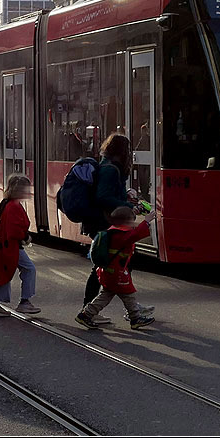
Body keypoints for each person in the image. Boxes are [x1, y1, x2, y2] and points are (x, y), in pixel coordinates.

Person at [76, 205, 160, 328]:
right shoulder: (120, 236)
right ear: (125, 222)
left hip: (109, 272)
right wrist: (146, 221)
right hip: (117, 274)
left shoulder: (112, 231)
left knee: (105, 296)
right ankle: (135, 318)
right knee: (128, 294)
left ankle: (86, 314)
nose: (133, 224)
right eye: (132, 221)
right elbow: (135, 235)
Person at [80, 133, 134, 321]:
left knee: (112, 266)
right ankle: (89, 309)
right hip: (103, 223)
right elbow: (103, 197)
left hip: (101, 222)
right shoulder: (111, 170)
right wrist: (127, 206)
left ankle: (129, 308)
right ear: (122, 151)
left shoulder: (107, 166)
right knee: (105, 267)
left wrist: (125, 196)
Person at [0, 174, 41, 317]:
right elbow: (14, 230)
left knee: (4, 272)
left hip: (6, 246)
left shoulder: (8, 204)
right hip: (11, 247)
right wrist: (25, 237)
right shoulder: (14, 206)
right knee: (29, 269)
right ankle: (24, 302)